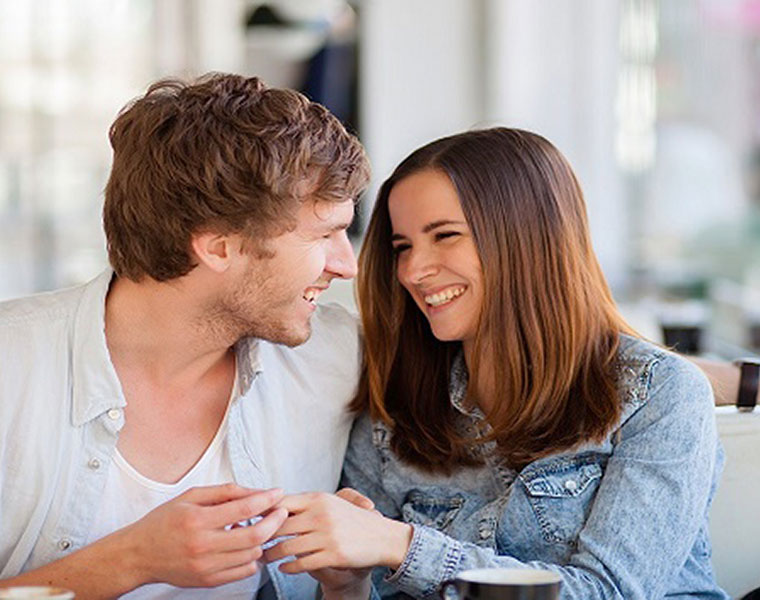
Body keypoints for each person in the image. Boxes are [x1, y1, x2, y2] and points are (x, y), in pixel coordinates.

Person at [265, 128, 730, 599]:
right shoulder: (394, 409)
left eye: (444, 236)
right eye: (403, 246)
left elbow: (608, 592)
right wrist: (350, 585)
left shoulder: (657, 395)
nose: (411, 270)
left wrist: (400, 544)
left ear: (529, 238)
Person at [0, 73, 370, 599]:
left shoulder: (337, 358)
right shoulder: (10, 368)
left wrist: (350, 582)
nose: (347, 266)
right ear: (218, 248)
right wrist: (133, 559)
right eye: (323, 234)